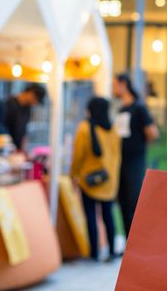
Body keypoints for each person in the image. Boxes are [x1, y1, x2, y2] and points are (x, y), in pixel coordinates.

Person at [71, 97, 121, 262]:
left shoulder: (84, 128)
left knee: (91, 216)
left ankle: (94, 254)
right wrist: (113, 178)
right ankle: (112, 251)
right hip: (109, 180)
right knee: (108, 216)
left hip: (89, 181)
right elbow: (116, 156)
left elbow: (78, 155)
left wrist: (74, 175)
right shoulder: (113, 128)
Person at [112, 73, 159, 238]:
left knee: (134, 203)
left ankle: (138, 243)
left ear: (123, 84)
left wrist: (138, 142)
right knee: (123, 203)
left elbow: (153, 133)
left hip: (135, 162)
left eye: (115, 84)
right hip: (120, 162)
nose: (113, 88)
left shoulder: (139, 108)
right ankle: (127, 243)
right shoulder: (121, 109)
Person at [2, 83, 47, 152]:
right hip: (6, 147)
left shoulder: (28, 109)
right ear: (31, 93)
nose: (35, 103)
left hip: (17, 150)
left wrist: (22, 150)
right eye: (36, 100)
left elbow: (24, 131)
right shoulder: (9, 104)